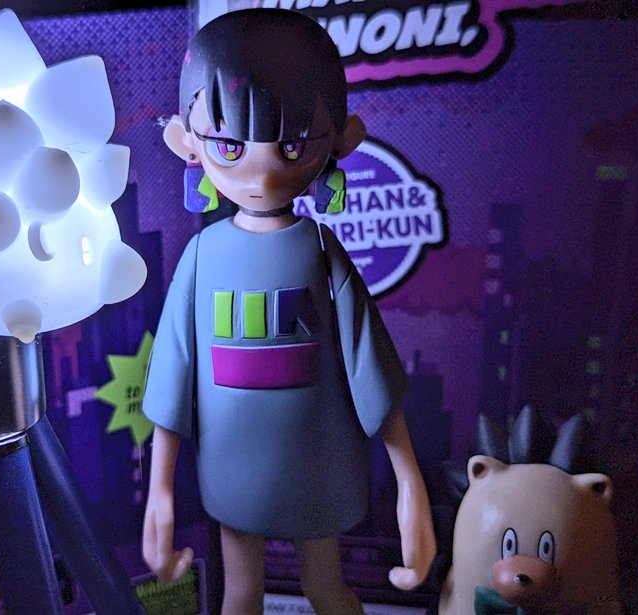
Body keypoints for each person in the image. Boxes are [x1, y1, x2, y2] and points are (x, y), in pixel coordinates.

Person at [141, 9, 435, 614]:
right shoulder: (203, 255)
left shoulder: (321, 253)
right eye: (229, 145)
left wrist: (411, 484)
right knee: (241, 592)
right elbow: (174, 371)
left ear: (342, 139)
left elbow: (368, 364)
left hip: (316, 458)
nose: (262, 171)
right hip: (234, 462)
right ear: (187, 142)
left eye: (294, 145)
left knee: (325, 588)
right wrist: (159, 493)